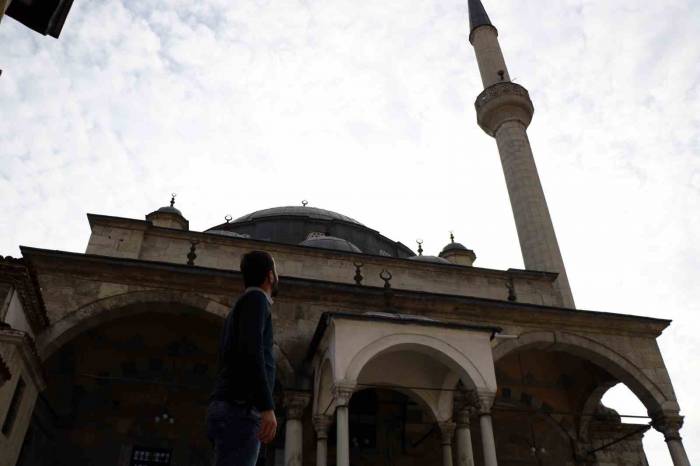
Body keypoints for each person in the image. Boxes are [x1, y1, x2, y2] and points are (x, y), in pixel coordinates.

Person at [206, 250, 279, 466]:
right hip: (240, 408)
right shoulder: (256, 300)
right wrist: (266, 406)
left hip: (230, 407)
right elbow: (252, 352)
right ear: (270, 276)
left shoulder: (243, 305)